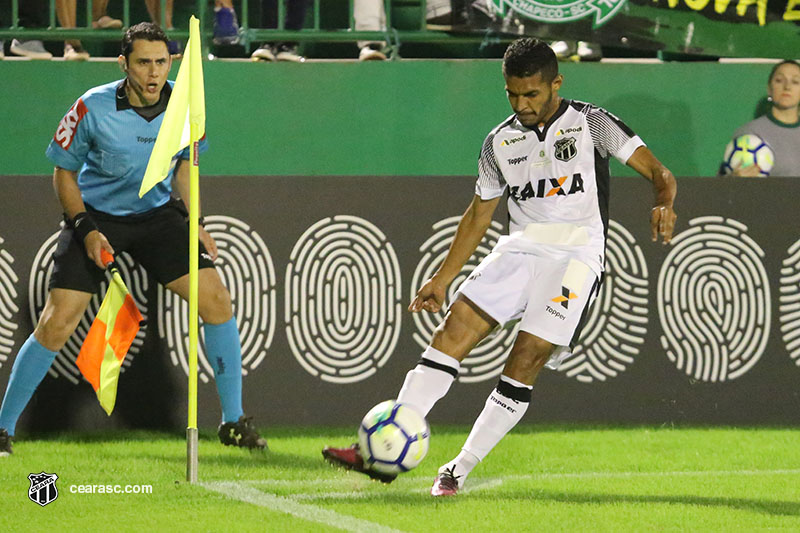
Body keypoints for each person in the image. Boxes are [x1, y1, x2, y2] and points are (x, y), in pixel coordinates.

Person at [322, 37, 677, 496]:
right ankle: (381, 452)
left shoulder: (592, 123)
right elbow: (477, 216)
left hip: (574, 258)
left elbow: (660, 174)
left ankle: (458, 468)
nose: (522, 103)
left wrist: (664, 202)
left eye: (531, 93)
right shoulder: (499, 142)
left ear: (556, 84)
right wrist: (442, 278)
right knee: (452, 330)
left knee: (525, 358)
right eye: (512, 94)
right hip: (519, 250)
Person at [0, 22, 266, 457]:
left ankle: (233, 421)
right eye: (143, 62)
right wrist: (85, 230)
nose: (153, 72)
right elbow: (63, 171)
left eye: (161, 62)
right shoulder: (92, 106)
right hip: (97, 217)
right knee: (57, 320)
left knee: (216, 299)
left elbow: (184, 165)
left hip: (158, 217)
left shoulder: (186, 104)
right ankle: (2, 429)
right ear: (124, 64)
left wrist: (195, 219)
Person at [720, 60, 800, 178]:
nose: (787, 87)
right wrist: (733, 179)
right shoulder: (749, 134)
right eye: (779, 80)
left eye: (795, 82)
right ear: (769, 89)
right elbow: (720, 187)